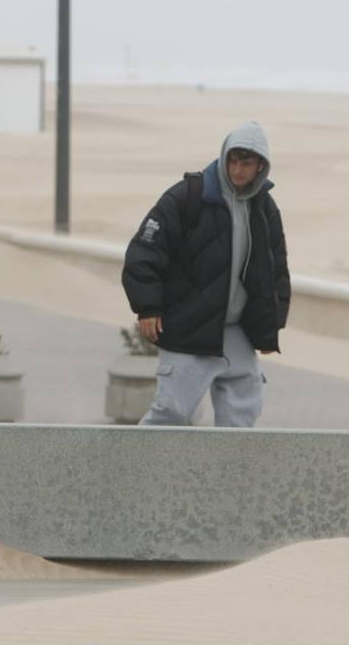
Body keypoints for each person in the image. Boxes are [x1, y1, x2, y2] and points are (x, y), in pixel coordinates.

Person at [121, 121, 290, 427]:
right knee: (170, 414)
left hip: (237, 331)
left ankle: (229, 476)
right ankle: (136, 472)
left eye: (246, 163)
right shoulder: (188, 196)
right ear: (224, 157)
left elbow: (275, 269)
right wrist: (147, 308)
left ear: (260, 166)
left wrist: (270, 326)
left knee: (242, 419)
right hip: (189, 328)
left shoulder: (264, 207)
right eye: (233, 161)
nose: (238, 170)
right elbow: (143, 253)